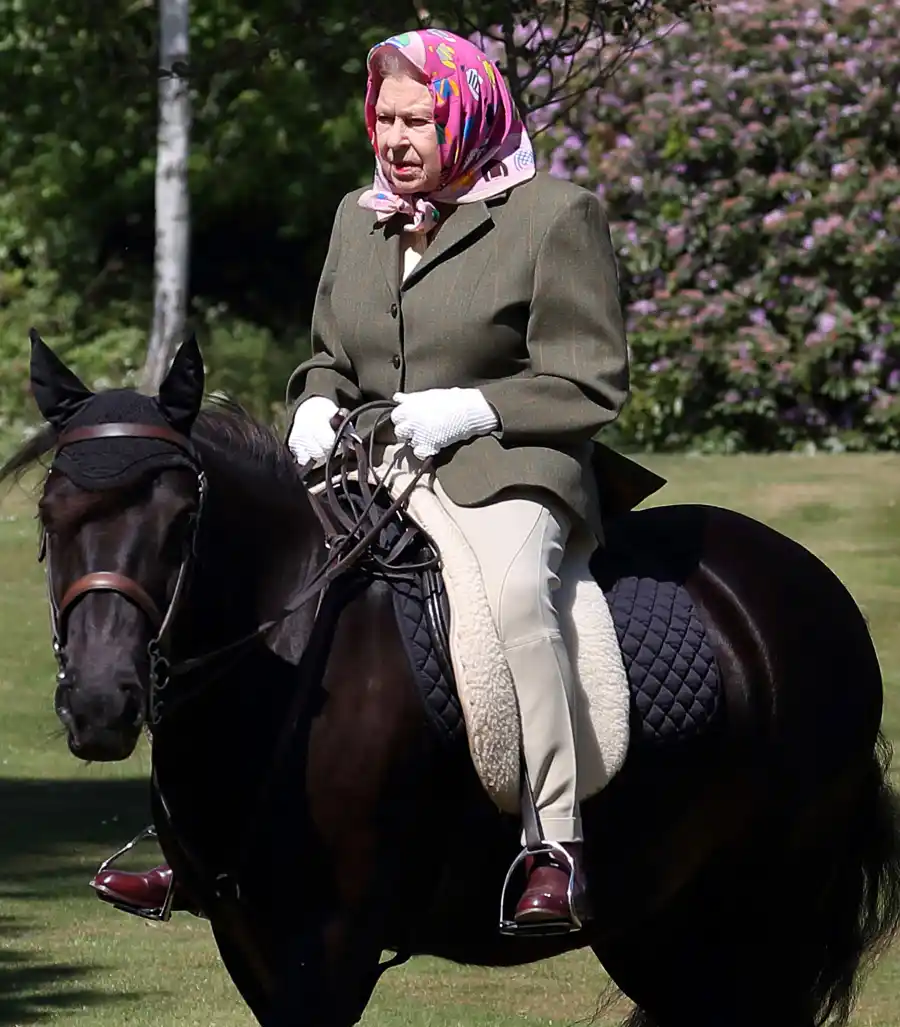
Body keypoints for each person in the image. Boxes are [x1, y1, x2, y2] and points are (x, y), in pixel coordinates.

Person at [91, 28, 664, 932]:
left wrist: (472, 407)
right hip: (369, 463)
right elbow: (329, 357)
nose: (395, 140)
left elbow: (591, 379)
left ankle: (554, 844)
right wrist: (314, 402)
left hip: (504, 464)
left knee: (517, 595)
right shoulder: (357, 216)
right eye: (385, 119)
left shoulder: (555, 215)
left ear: (469, 115)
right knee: (226, 580)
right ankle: (194, 842)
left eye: (419, 122)